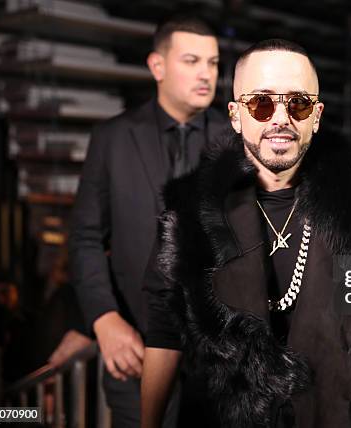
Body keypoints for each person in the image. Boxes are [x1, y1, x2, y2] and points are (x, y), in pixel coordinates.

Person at [141, 39, 351, 428]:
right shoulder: (190, 215)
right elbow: (163, 339)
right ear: (235, 115)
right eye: (261, 104)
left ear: (316, 116)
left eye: (297, 103)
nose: (280, 118)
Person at [68, 15, 227, 427]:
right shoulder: (112, 138)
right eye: (192, 60)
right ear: (157, 66)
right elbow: (85, 236)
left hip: (219, 364)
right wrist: (103, 319)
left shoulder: (235, 142)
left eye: (212, 63)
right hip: (135, 348)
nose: (206, 74)